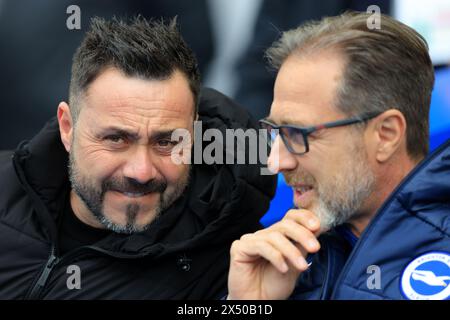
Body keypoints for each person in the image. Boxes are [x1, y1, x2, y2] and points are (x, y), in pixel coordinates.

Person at [0, 16, 276, 299]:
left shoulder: (234, 261)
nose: (141, 172)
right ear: (68, 128)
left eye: (166, 142)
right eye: (117, 139)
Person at [228, 12, 450, 300]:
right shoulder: (277, 261)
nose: (277, 161)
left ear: (386, 135)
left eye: (298, 133)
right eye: (275, 131)